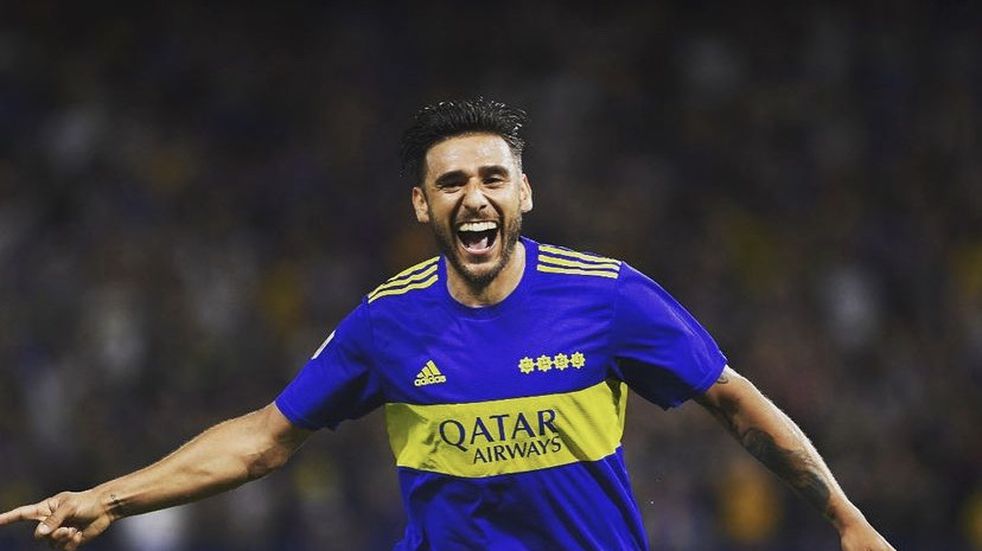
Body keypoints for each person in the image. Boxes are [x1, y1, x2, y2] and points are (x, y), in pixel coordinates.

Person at [0, 98, 894, 551]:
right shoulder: (385, 321)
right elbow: (263, 441)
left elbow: (732, 399)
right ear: (422, 205)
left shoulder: (608, 295)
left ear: (524, 193)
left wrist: (847, 519)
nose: (475, 196)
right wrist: (108, 497)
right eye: (452, 182)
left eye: (493, 177)